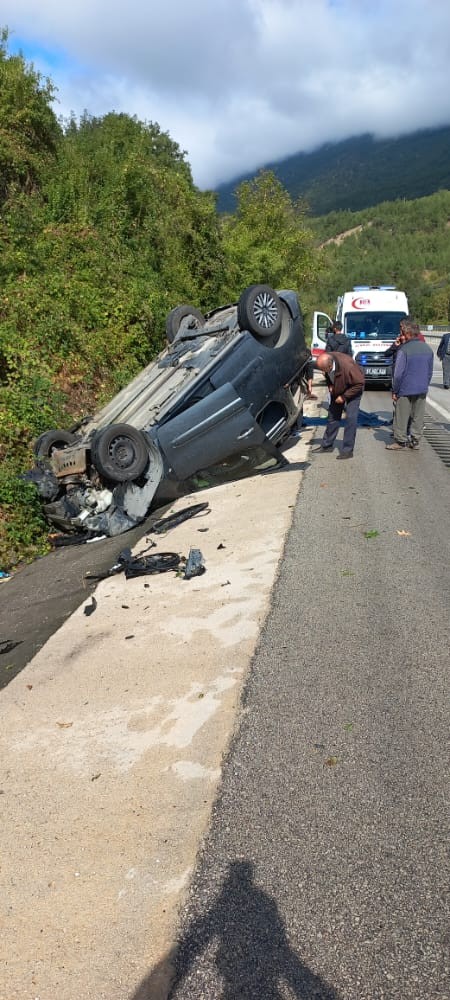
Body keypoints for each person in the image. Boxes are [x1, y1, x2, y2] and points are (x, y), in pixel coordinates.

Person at [386, 319, 433, 451]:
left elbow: (398, 374)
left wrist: (395, 390)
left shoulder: (404, 349)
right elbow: (429, 372)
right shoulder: (427, 348)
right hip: (422, 388)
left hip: (405, 388)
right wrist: (425, 384)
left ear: (406, 333)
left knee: (401, 415)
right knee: (418, 416)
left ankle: (400, 441)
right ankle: (415, 440)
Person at [313, 351, 365, 459]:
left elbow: (359, 383)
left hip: (353, 388)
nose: (322, 372)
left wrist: (344, 397)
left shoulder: (348, 366)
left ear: (330, 365)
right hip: (338, 385)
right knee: (333, 415)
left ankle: (347, 450)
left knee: (350, 418)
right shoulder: (327, 358)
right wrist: (330, 385)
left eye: (324, 370)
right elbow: (327, 374)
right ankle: (327, 445)